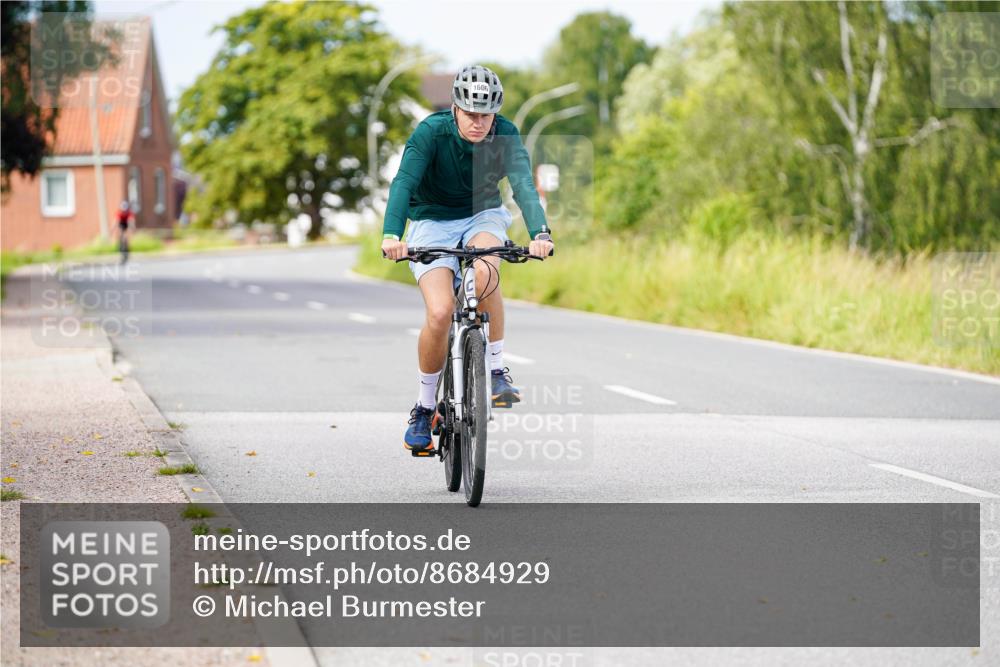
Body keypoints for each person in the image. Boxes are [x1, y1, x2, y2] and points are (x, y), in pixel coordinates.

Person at [381, 65, 554, 452]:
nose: (479, 123)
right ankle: (425, 409)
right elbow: (403, 183)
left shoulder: (505, 133)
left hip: (483, 214)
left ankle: (495, 370)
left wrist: (540, 233)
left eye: (486, 115)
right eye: (471, 114)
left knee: (486, 267)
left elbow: (523, 184)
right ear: (456, 108)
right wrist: (392, 234)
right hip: (429, 218)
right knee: (441, 312)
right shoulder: (430, 132)